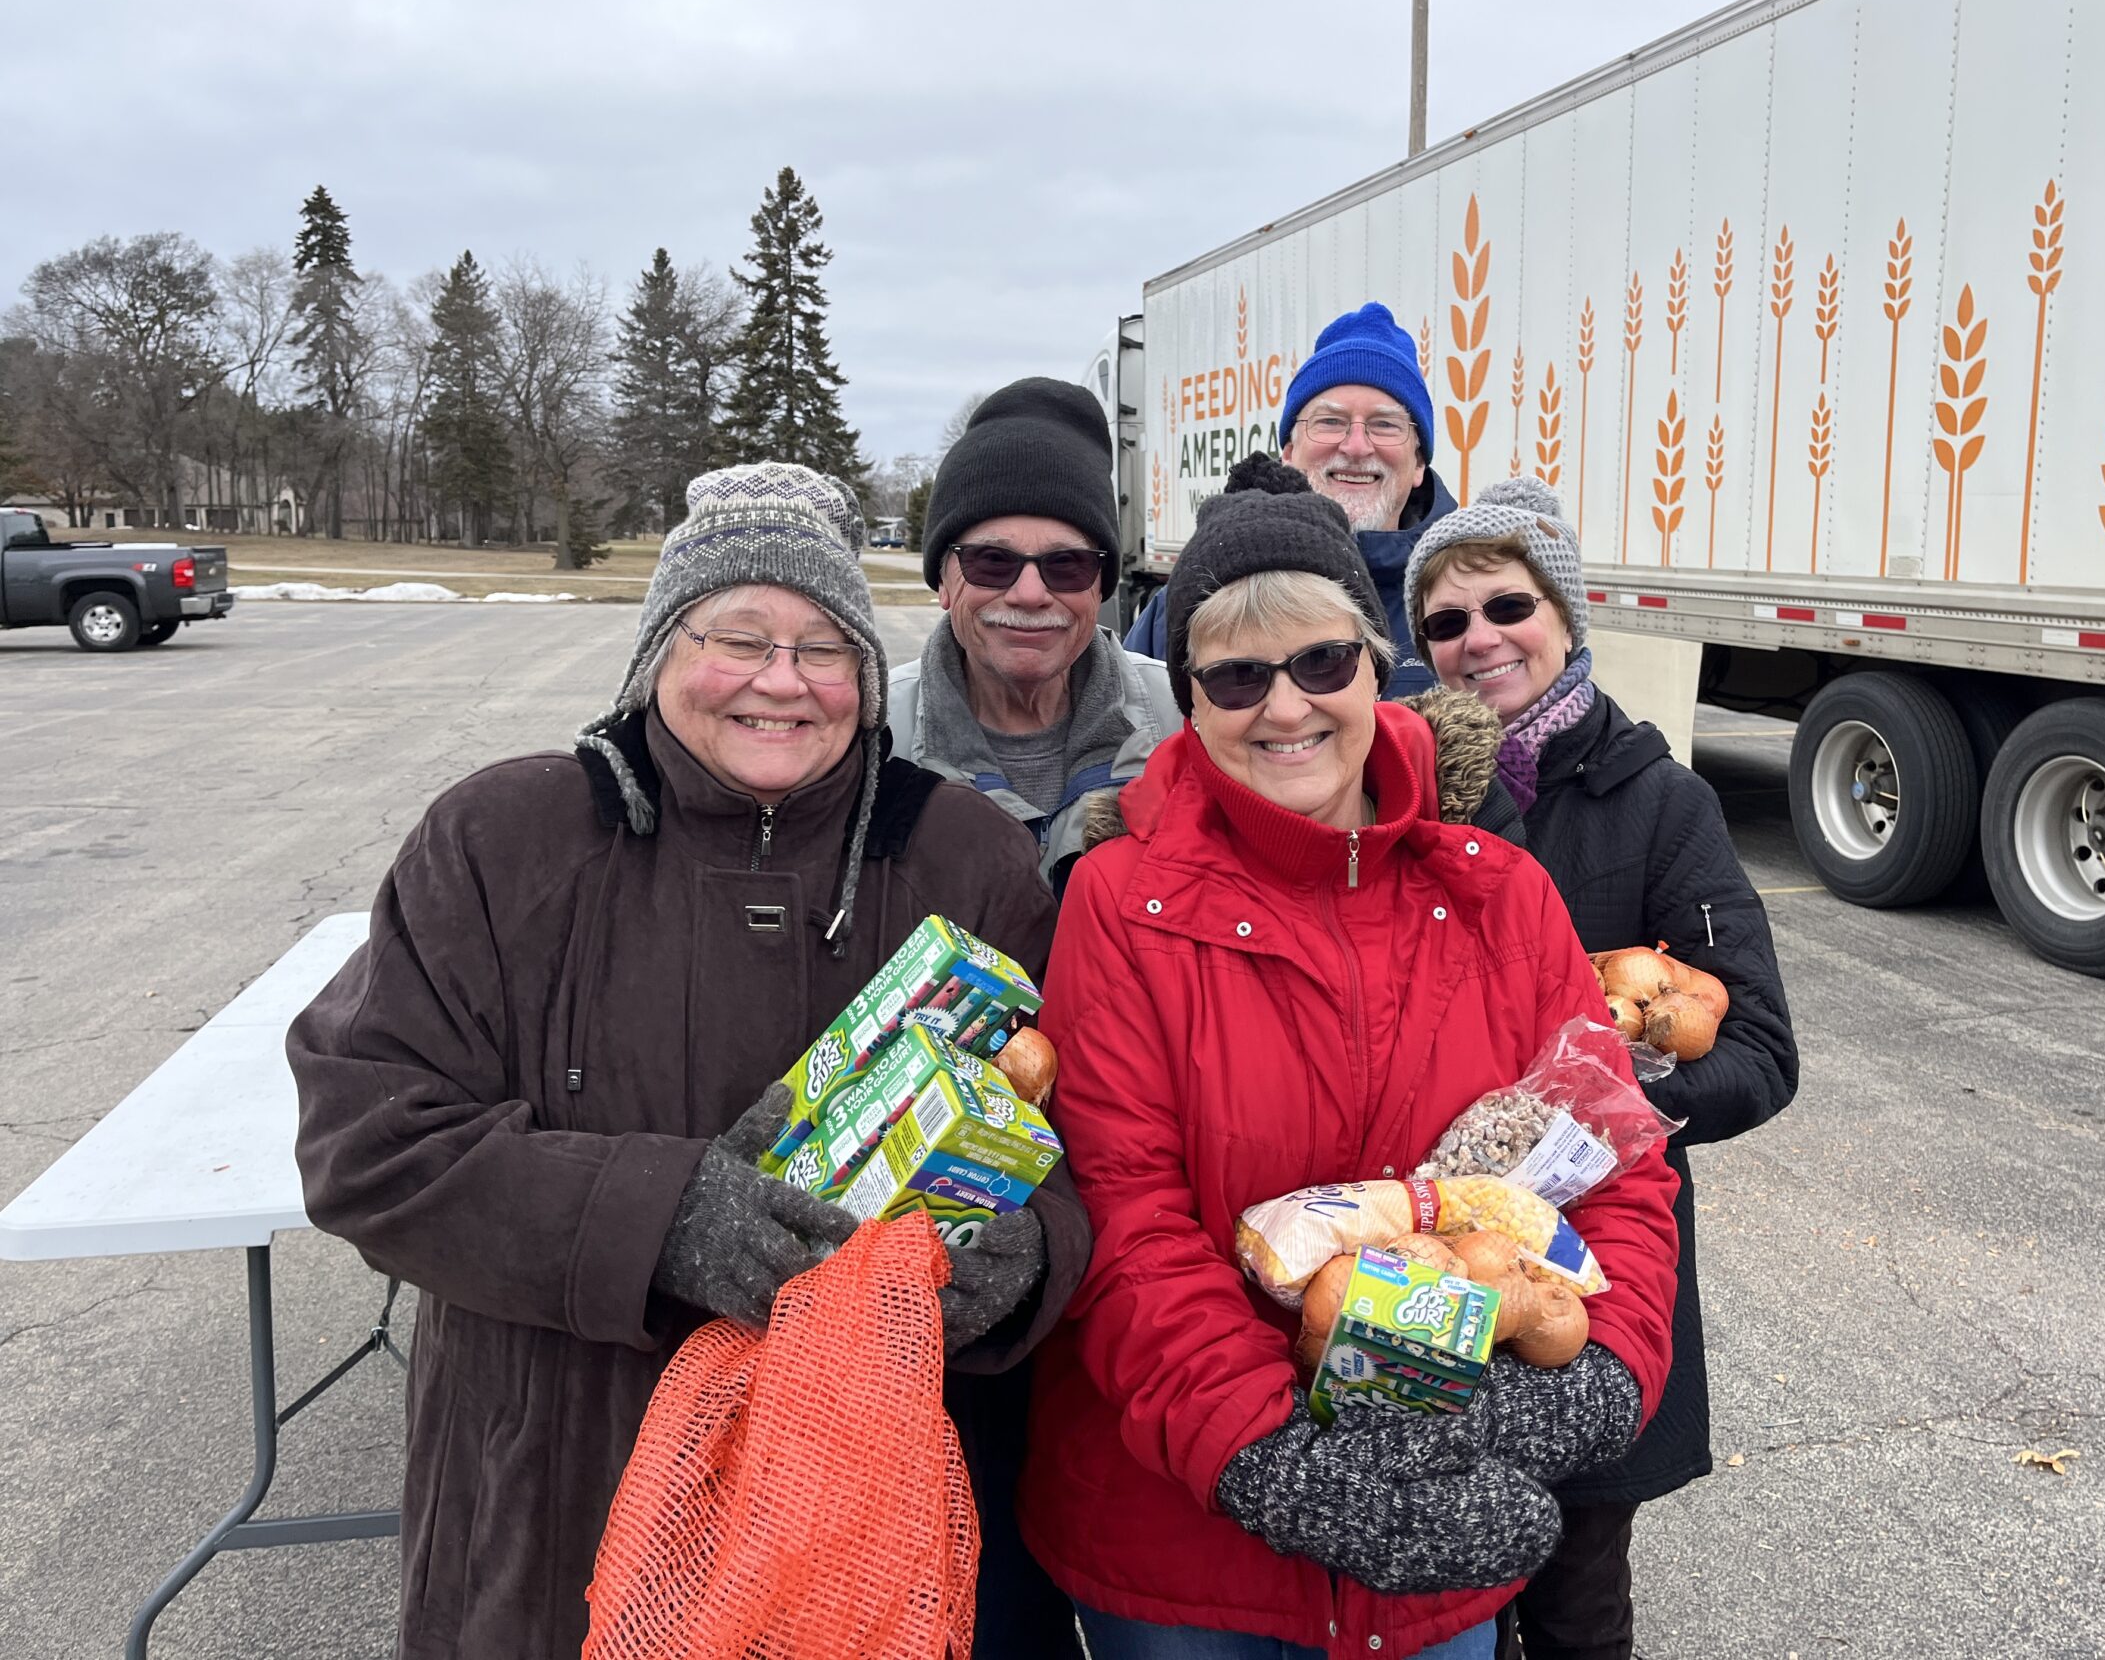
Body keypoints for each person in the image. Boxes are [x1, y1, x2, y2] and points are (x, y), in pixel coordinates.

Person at [286, 462, 1091, 1660]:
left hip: (857, 1516)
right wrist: (663, 1218)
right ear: (662, 650)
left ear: (869, 680)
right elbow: (372, 1145)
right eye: (739, 637)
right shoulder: (505, 839)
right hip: (557, 1485)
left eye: (825, 648)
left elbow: (1067, 1143)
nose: (782, 681)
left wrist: (1028, 1262)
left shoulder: (962, 859)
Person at [1022, 455, 1681, 1660]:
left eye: (1324, 661)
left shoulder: (1503, 897)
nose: (1286, 708)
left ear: (1381, 669)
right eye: (1236, 676)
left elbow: (1615, 1173)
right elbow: (1125, 1220)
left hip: (1437, 1544)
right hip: (1185, 1549)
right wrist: (1271, 1460)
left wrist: (1607, 1371)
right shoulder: (1119, 905)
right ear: (1191, 698)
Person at [1402, 477, 1799, 1660]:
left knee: (1577, 1591)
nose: (1479, 639)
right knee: (1432, 1584)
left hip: (1593, 1258)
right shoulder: (1395, 788)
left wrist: (1600, 1113)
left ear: (1567, 617)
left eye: (1507, 605)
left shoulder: (1660, 802)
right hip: (1426, 1246)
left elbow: (1763, 1054)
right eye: (1446, 619)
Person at [897, 377, 1182, 892]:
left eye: (1067, 564)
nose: (1030, 593)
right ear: (943, 579)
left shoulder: (1188, 722)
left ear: (1099, 588)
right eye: (992, 561)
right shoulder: (870, 734)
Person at [1128, 302, 1459, 698]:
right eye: (1330, 421)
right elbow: (1133, 734)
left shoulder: (1464, 602)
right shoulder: (1199, 591)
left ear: (1419, 461)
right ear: (1288, 450)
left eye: (1384, 424)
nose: (1356, 446)